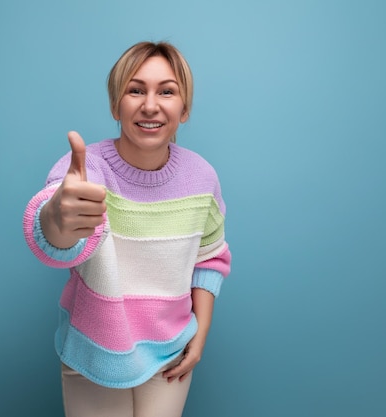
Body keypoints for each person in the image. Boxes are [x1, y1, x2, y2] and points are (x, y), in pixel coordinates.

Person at [22, 41, 232, 417]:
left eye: (166, 91)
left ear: (184, 109)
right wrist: (57, 218)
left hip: (171, 352)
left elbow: (210, 260)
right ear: (115, 103)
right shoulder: (86, 171)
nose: (150, 105)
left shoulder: (203, 177)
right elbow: (55, 235)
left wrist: (199, 338)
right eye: (135, 90)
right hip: (94, 351)